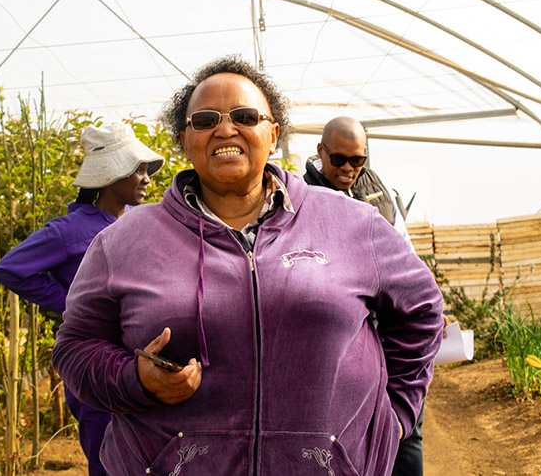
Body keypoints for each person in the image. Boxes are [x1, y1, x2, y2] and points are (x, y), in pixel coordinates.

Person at [53, 55, 444, 475]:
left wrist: (396, 415)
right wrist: (134, 378)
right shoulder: (124, 241)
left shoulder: (353, 224)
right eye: (204, 120)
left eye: (244, 116)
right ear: (184, 140)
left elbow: (422, 311)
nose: (225, 128)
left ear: (272, 133)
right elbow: (76, 348)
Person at [0, 122, 164, 476]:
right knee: (107, 458)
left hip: (140, 361)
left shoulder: (140, 221)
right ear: (111, 175)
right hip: (94, 361)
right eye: (138, 170)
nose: (146, 178)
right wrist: (71, 304)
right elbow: (10, 269)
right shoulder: (68, 231)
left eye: (146, 169)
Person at [303, 115, 435, 476]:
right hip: (343, 342)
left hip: (388, 334)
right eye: (338, 159)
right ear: (321, 152)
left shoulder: (382, 194)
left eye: (357, 160)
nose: (348, 169)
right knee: (342, 433)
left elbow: (408, 259)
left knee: (406, 429)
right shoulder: (301, 200)